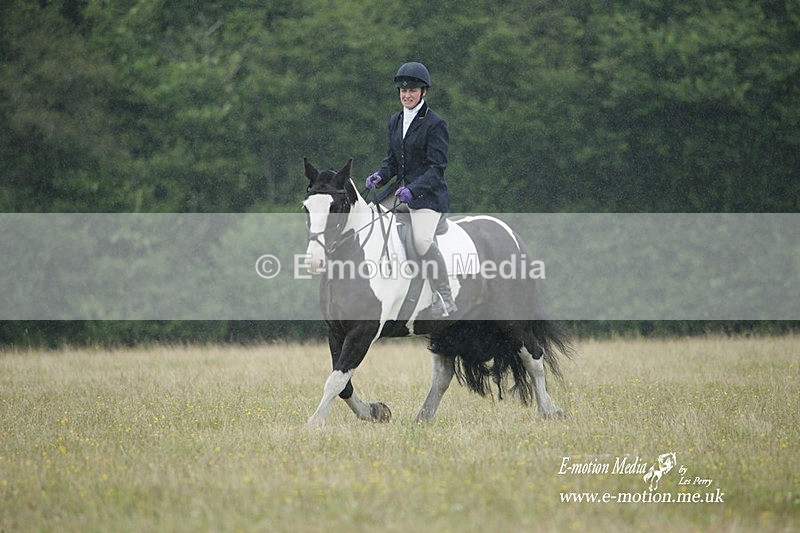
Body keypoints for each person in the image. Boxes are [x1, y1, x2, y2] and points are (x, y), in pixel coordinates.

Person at [364, 61, 457, 318]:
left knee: (421, 240)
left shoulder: (435, 124)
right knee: (368, 219)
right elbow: (392, 161)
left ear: (423, 92)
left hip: (428, 196)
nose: (407, 95)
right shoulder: (395, 120)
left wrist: (414, 190)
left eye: (412, 90)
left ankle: (444, 295)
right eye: (403, 91)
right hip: (399, 191)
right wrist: (380, 177)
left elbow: (437, 168)